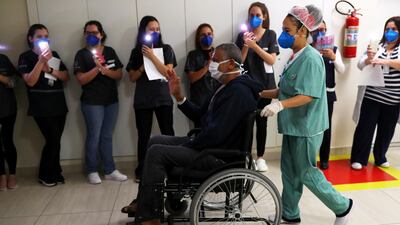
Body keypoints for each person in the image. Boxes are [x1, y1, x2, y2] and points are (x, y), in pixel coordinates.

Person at [121, 43, 263, 225]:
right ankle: (145, 202)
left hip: (218, 156)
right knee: (155, 140)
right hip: (209, 146)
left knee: (157, 152)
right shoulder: (225, 87)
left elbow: (217, 134)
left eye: (216, 60)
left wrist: (188, 144)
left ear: (230, 64)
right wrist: (179, 96)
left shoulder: (238, 92)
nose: (211, 63)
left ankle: (150, 218)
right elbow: (199, 115)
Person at [260, 5, 352, 225]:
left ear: (303, 31)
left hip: (306, 127)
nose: (283, 34)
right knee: (289, 172)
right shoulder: (294, 56)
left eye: (287, 30)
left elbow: (308, 95)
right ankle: (290, 213)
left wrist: (279, 105)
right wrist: (261, 93)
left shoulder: (311, 58)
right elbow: (287, 88)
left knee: (306, 172)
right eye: (282, 29)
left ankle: (342, 206)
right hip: (293, 125)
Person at [74, 20, 127, 184]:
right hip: (92, 103)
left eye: (95, 32)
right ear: (85, 35)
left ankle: (110, 170)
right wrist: (96, 68)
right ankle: (92, 170)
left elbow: (119, 74)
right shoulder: (81, 55)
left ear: (101, 34)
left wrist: (105, 70)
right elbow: (81, 79)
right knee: (94, 136)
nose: (91, 35)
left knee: (106, 136)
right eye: (88, 33)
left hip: (111, 101)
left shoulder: (109, 51)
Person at [126, 16, 176, 182]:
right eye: (151, 29)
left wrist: (152, 56)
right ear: (143, 32)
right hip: (143, 100)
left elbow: (168, 73)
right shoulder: (136, 52)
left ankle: (173, 168)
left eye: (157, 29)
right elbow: (132, 77)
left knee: (168, 134)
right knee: (143, 136)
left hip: (163, 98)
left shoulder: (167, 49)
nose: (155, 32)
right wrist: (142, 63)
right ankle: (142, 171)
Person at [18, 24, 69, 187]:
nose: (43, 39)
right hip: (41, 107)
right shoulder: (25, 57)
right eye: (39, 36)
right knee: (52, 140)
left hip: (59, 104)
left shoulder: (54, 55)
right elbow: (30, 81)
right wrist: (41, 61)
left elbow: (65, 77)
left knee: (56, 141)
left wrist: (51, 69)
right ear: (30, 39)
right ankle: (45, 174)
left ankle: (56, 172)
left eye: (46, 36)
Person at [351, 16, 400, 170]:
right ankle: (359, 158)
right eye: (387, 29)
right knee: (365, 129)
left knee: (386, 132)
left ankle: (380, 157)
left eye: (394, 29)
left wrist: (384, 61)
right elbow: (360, 64)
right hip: (372, 96)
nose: (389, 32)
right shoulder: (376, 46)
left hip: (393, 100)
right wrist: (368, 59)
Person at [235, 2, 279, 172]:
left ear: (264, 17)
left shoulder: (270, 34)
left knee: (262, 122)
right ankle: (246, 157)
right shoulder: (242, 35)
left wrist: (255, 46)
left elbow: (272, 60)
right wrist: (246, 45)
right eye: (251, 15)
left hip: (266, 86)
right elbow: (240, 61)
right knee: (246, 122)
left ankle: (261, 157)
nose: (254, 18)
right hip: (247, 86)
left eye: (258, 15)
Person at [310, 21, 345, 170]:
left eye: (323, 30)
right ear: (311, 32)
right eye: (317, 31)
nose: (320, 34)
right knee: (310, 126)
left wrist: (333, 57)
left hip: (328, 94)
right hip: (310, 94)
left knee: (326, 127)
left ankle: (324, 158)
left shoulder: (334, 49)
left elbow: (342, 70)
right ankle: (310, 157)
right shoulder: (308, 50)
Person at [184, 23, 219, 127]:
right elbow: (192, 78)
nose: (207, 37)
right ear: (198, 38)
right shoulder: (193, 55)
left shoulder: (219, 53)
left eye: (209, 34)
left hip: (217, 100)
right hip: (200, 101)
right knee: (200, 131)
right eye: (203, 35)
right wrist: (208, 65)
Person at [0, 54, 19, 190]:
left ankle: (12, 174)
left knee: (7, 141)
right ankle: (1, 176)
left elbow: (14, 83)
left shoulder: (3, 59)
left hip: (7, 108)